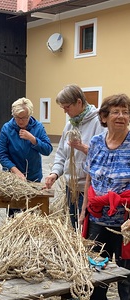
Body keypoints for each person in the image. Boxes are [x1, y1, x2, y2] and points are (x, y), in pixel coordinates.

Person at [79, 94, 130, 300]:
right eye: (116, 111)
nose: (121, 116)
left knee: (127, 278)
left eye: (126, 112)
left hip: (126, 225)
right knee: (97, 273)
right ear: (104, 117)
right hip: (98, 220)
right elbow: (90, 177)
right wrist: (83, 210)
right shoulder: (96, 142)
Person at [44, 84, 105, 228]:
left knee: (87, 229)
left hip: (88, 188)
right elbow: (61, 154)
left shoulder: (99, 122)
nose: (65, 112)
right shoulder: (70, 125)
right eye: (63, 108)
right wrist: (55, 173)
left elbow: (104, 155)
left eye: (67, 107)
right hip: (71, 187)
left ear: (79, 102)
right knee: (74, 225)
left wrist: (83, 148)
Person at [0, 97, 53, 216]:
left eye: (24, 118)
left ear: (30, 115)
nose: (20, 121)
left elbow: (48, 150)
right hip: (13, 179)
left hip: (34, 177)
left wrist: (33, 139)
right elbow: (1, 154)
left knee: (31, 212)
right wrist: (15, 171)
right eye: (17, 118)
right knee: (14, 214)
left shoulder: (38, 127)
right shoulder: (7, 128)